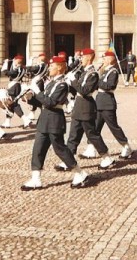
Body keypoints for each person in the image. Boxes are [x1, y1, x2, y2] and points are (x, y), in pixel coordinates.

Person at [20, 56, 89, 190]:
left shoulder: (62, 85)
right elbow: (42, 101)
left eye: (51, 66)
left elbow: (51, 102)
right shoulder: (51, 83)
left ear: (59, 67)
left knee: (60, 149)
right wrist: (29, 98)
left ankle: (80, 173)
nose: (49, 68)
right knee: (38, 149)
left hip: (54, 120)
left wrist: (37, 91)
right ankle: (36, 179)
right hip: (44, 119)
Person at [58, 48, 116, 169]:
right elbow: (78, 89)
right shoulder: (84, 72)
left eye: (83, 57)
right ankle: (68, 160)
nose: (81, 60)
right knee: (73, 135)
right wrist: (69, 83)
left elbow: (85, 90)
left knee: (92, 134)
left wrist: (73, 81)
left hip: (86, 106)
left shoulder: (93, 74)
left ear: (89, 58)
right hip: (79, 105)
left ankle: (107, 158)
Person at [95, 51, 133, 159]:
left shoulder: (113, 72)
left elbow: (110, 86)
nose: (103, 61)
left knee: (113, 127)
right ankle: (93, 147)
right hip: (99, 102)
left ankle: (126, 146)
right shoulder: (104, 71)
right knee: (95, 128)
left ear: (110, 59)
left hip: (107, 103)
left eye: (104, 58)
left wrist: (97, 81)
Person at [3, 54, 35, 129]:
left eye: (15, 60)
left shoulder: (16, 69)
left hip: (13, 87)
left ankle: (26, 120)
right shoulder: (21, 68)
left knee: (14, 105)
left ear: (17, 61)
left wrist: (5, 63)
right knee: (11, 105)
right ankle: (7, 122)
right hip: (17, 86)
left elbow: (5, 72)